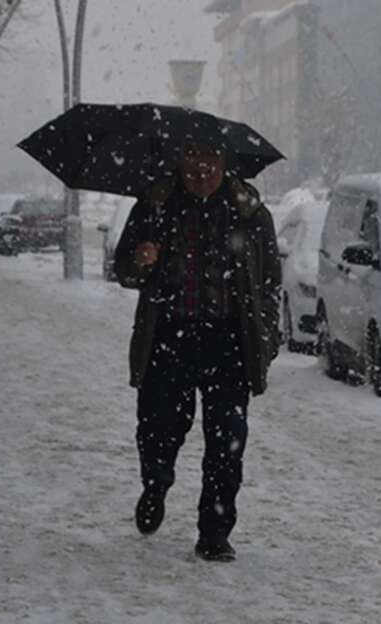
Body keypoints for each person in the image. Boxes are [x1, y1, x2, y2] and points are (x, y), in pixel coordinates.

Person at [114, 142, 281, 562]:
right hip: (168, 339)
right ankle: (156, 484)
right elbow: (125, 270)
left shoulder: (252, 215)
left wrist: (267, 338)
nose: (200, 169)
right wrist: (140, 259)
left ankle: (214, 532)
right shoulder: (155, 207)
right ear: (179, 161)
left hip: (229, 344)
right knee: (157, 430)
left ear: (226, 164)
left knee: (227, 446)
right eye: (192, 158)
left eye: (210, 159)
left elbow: (269, 286)